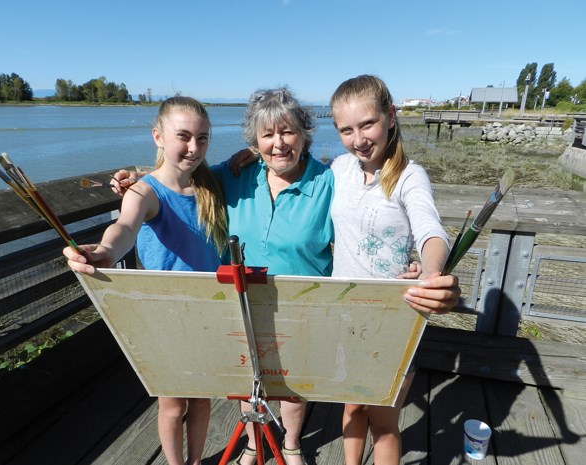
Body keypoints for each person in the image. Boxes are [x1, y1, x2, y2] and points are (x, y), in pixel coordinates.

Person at [111, 86, 460, 465]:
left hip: (302, 301)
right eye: (267, 135)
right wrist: (135, 179)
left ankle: (291, 443)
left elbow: (392, 218)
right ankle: (251, 443)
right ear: (254, 140)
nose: (279, 144)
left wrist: (419, 268)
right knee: (247, 380)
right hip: (244, 299)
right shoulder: (234, 175)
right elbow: (178, 178)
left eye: (288, 132)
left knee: (295, 385)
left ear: (305, 134)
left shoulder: (329, 180)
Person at [63, 96, 228, 465]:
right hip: (166, 316)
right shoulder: (144, 190)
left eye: (202, 138)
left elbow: (243, 156)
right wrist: (107, 250)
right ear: (158, 136)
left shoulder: (210, 186)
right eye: (182, 136)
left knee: (201, 399)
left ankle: (196, 460)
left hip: (208, 311)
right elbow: (124, 226)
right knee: (172, 404)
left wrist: (247, 154)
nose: (193, 147)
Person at [329, 74, 455, 465]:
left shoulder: (409, 176)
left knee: (384, 422)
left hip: (393, 317)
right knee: (351, 410)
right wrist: (245, 158)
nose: (358, 139)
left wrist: (430, 273)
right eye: (345, 129)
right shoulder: (337, 168)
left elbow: (432, 231)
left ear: (390, 117)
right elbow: (289, 166)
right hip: (345, 313)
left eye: (367, 124)